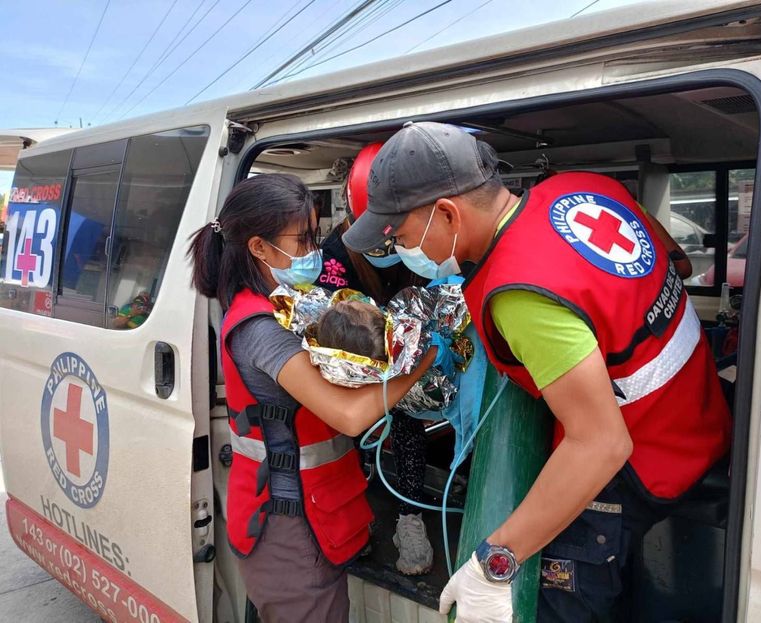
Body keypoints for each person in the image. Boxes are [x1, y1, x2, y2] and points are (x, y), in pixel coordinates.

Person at [343, 122, 732, 622]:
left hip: (644, 463)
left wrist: (494, 563)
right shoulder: (583, 188)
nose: (397, 245)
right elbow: (674, 265)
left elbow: (601, 444)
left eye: (399, 231)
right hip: (704, 418)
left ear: (446, 213)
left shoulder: (519, 291)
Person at [188, 173, 437, 623]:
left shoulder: (290, 303)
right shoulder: (259, 327)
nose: (313, 253)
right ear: (259, 248)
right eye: (301, 240)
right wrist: (423, 361)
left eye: (315, 237)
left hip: (318, 512)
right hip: (287, 525)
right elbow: (348, 415)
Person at [314, 143, 436, 576]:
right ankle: (355, 521)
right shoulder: (336, 254)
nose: (392, 241)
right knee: (353, 439)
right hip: (356, 358)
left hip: (410, 359)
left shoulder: (424, 241)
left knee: (407, 428)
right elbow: (334, 323)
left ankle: (409, 518)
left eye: (397, 231)